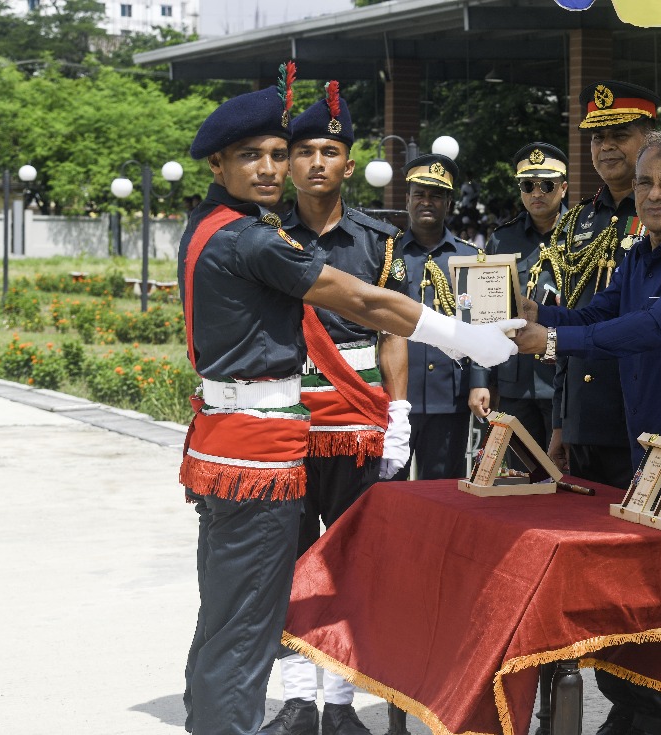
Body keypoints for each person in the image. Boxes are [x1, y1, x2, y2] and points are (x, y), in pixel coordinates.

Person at [179, 82, 519, 735]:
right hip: (263, 446)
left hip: (244, 438)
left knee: (233, 612)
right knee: (248, 625)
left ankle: (325, 701)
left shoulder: (211, 224)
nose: (276, 167)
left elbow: (374, 323)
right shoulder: (253, 239)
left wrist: (397, 411)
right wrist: (467, 337)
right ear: (218, 165)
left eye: (280, 152)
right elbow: (361, 302)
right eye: (254, 155)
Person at [514, 132, 661, 735]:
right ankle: (641, 719)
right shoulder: (639, 253)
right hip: (652, 464)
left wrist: (557, 342)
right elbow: (601, 313)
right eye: (645, 182)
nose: (653, 194)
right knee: (647, 614)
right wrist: (539, 318)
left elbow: (652, 327)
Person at [252, 84, 407, 735]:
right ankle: (295, 699)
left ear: (348, 163)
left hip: (357, 428)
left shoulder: (380, 242)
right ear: (288, 163)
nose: (317, 161)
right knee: (284, 563)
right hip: (283, 426)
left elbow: (393, 331)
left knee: (352, 566)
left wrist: (400, 413)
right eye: (305, 150)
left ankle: (341, 702)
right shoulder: (256, 237)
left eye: (330, 150)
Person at [530, 80, 661, 491]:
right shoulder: (576, 220)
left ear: (651, 139)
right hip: (586, 417)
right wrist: (563, 421)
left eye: (620, 135)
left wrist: (549, 336)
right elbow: (580, 312)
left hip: (648, 416)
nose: (607, 147)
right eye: (598, 137)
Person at [470, 143, 569, 450]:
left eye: (547, 184)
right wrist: (480, 379)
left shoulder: (583, 233)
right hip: (515, 381)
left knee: (568, 478)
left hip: (565, 379)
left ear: (563, 188)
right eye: (528, 185)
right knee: (520, 478)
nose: (536, 192)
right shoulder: (502, 238)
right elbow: (483, 312)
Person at [391, 153, 482, 482]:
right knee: (389, 492)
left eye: (436, 195)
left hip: (450, 395)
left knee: (443, 493)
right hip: (396, 396)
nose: (427, 202)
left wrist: (479, 385)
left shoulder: (469, 257)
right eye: (420, 194)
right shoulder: (388, 253)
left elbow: (482, 328)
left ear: (448, 202)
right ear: (408, 199)